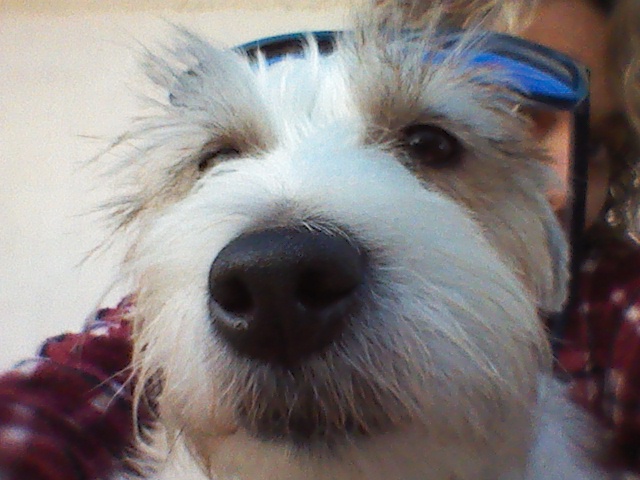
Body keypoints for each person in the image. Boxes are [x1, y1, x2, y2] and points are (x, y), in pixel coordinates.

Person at [1, 0, 639, 478]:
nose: (558, 181)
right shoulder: (143, 320)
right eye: (219, 157)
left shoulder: (611, 299)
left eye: (429, 145)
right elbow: (52, 404)